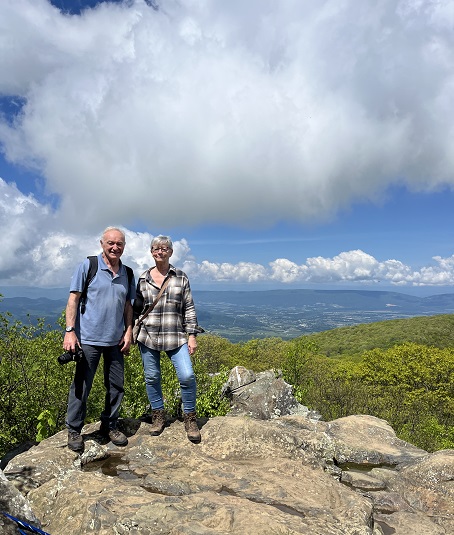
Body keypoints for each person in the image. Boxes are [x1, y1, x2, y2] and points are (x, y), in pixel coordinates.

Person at [63, 227, 135, 453]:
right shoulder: (88, 266)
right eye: (110, 243)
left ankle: (110, 425)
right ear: (102, 243)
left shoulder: (128, 273)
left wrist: (129, 331)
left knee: (116, 386)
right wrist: (70, 331)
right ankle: (74, 429)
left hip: (115, 340)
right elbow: (73, 300)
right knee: (82, 387)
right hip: (89, 339)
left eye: (119, 244)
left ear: (124, 247)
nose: (115, 247)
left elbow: (127, 306)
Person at [134, 235, 203, 442]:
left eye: (164, 248)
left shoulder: (180, 277)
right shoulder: (142, 279)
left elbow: (188, 307)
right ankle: (158, 416)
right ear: (151, 252)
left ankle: (190, 418)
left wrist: (192, 335)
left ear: (171, 252)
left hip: (176, 334)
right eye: (156, 248)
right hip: (148, 335)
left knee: (187, 376)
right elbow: (137, 308)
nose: (160, 251)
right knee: (152, 377)